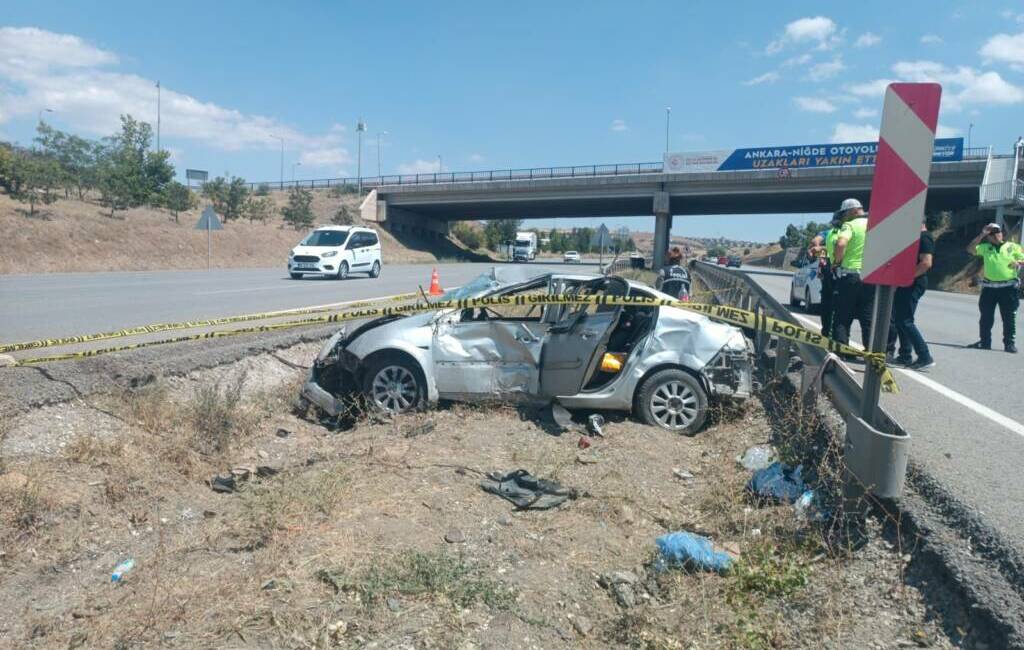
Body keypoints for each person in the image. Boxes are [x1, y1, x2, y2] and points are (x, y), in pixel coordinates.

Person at [886, 215, 936, 369]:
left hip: (914, 282)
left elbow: (926, 263)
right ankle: (905, 355)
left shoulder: (925, 238)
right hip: (907, 282)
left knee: (905, 320)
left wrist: (905, 278)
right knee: (901, 319)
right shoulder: (917, 238)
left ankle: (924, 356)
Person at [966, 223, 1024, 353]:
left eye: (998, 231)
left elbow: (1023, 258)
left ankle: (1009, 343)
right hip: (989, 288)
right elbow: (970, 249)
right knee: (986, 316)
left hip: (1008, 288)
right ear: (989, 237)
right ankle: (985, 342)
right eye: (992, 233)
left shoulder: (1013, 246)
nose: (996, 234)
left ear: (1002, 233)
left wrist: (1018, 262)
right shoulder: (985, 247)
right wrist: (982, 233)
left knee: (1009, 317)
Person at [832, 198, 873, 348]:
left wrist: (837, 262)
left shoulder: (849, 225)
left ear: (853, 211)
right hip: (870, 276)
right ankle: (871, 355)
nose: (843, 217)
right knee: (867, 317)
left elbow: (841, 243)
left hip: (850, 276)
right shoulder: (875, 224)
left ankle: (841, 351)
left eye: (844, 214)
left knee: (843, 316)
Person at [807, 214, 843, 338]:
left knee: (828, 305)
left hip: (831, 273)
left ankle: (827, 334)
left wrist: (818, 247)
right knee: (839, 307)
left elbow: (815, 242)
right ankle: (836, 336)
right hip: (841, 274)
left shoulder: (830, 233)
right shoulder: (841, 232)